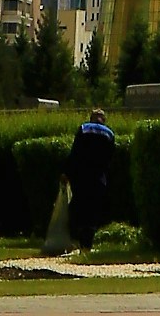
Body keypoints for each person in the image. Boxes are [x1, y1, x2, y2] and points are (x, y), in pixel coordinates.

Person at [65, 106, 119, 253]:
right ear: (104, 120)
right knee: (93, 212)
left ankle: (77, 241)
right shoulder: (109, 133)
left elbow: (75, 153)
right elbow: (110, 159)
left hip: (81, 176)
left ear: (91, 118)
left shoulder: (83, 128)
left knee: (79, 208)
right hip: (98, 178)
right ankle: (87, 245)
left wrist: (67, 172)